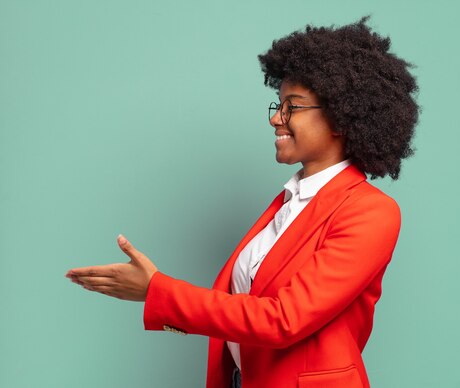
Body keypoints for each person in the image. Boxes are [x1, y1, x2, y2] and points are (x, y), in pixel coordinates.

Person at [66, 16, 419, 388]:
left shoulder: (370, 212)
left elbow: (283, 319)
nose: (277, 119)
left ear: (341, 119)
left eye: (292, 107)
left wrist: (157, 292)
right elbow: (242, 303)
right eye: (278, 105)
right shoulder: (289, 202)